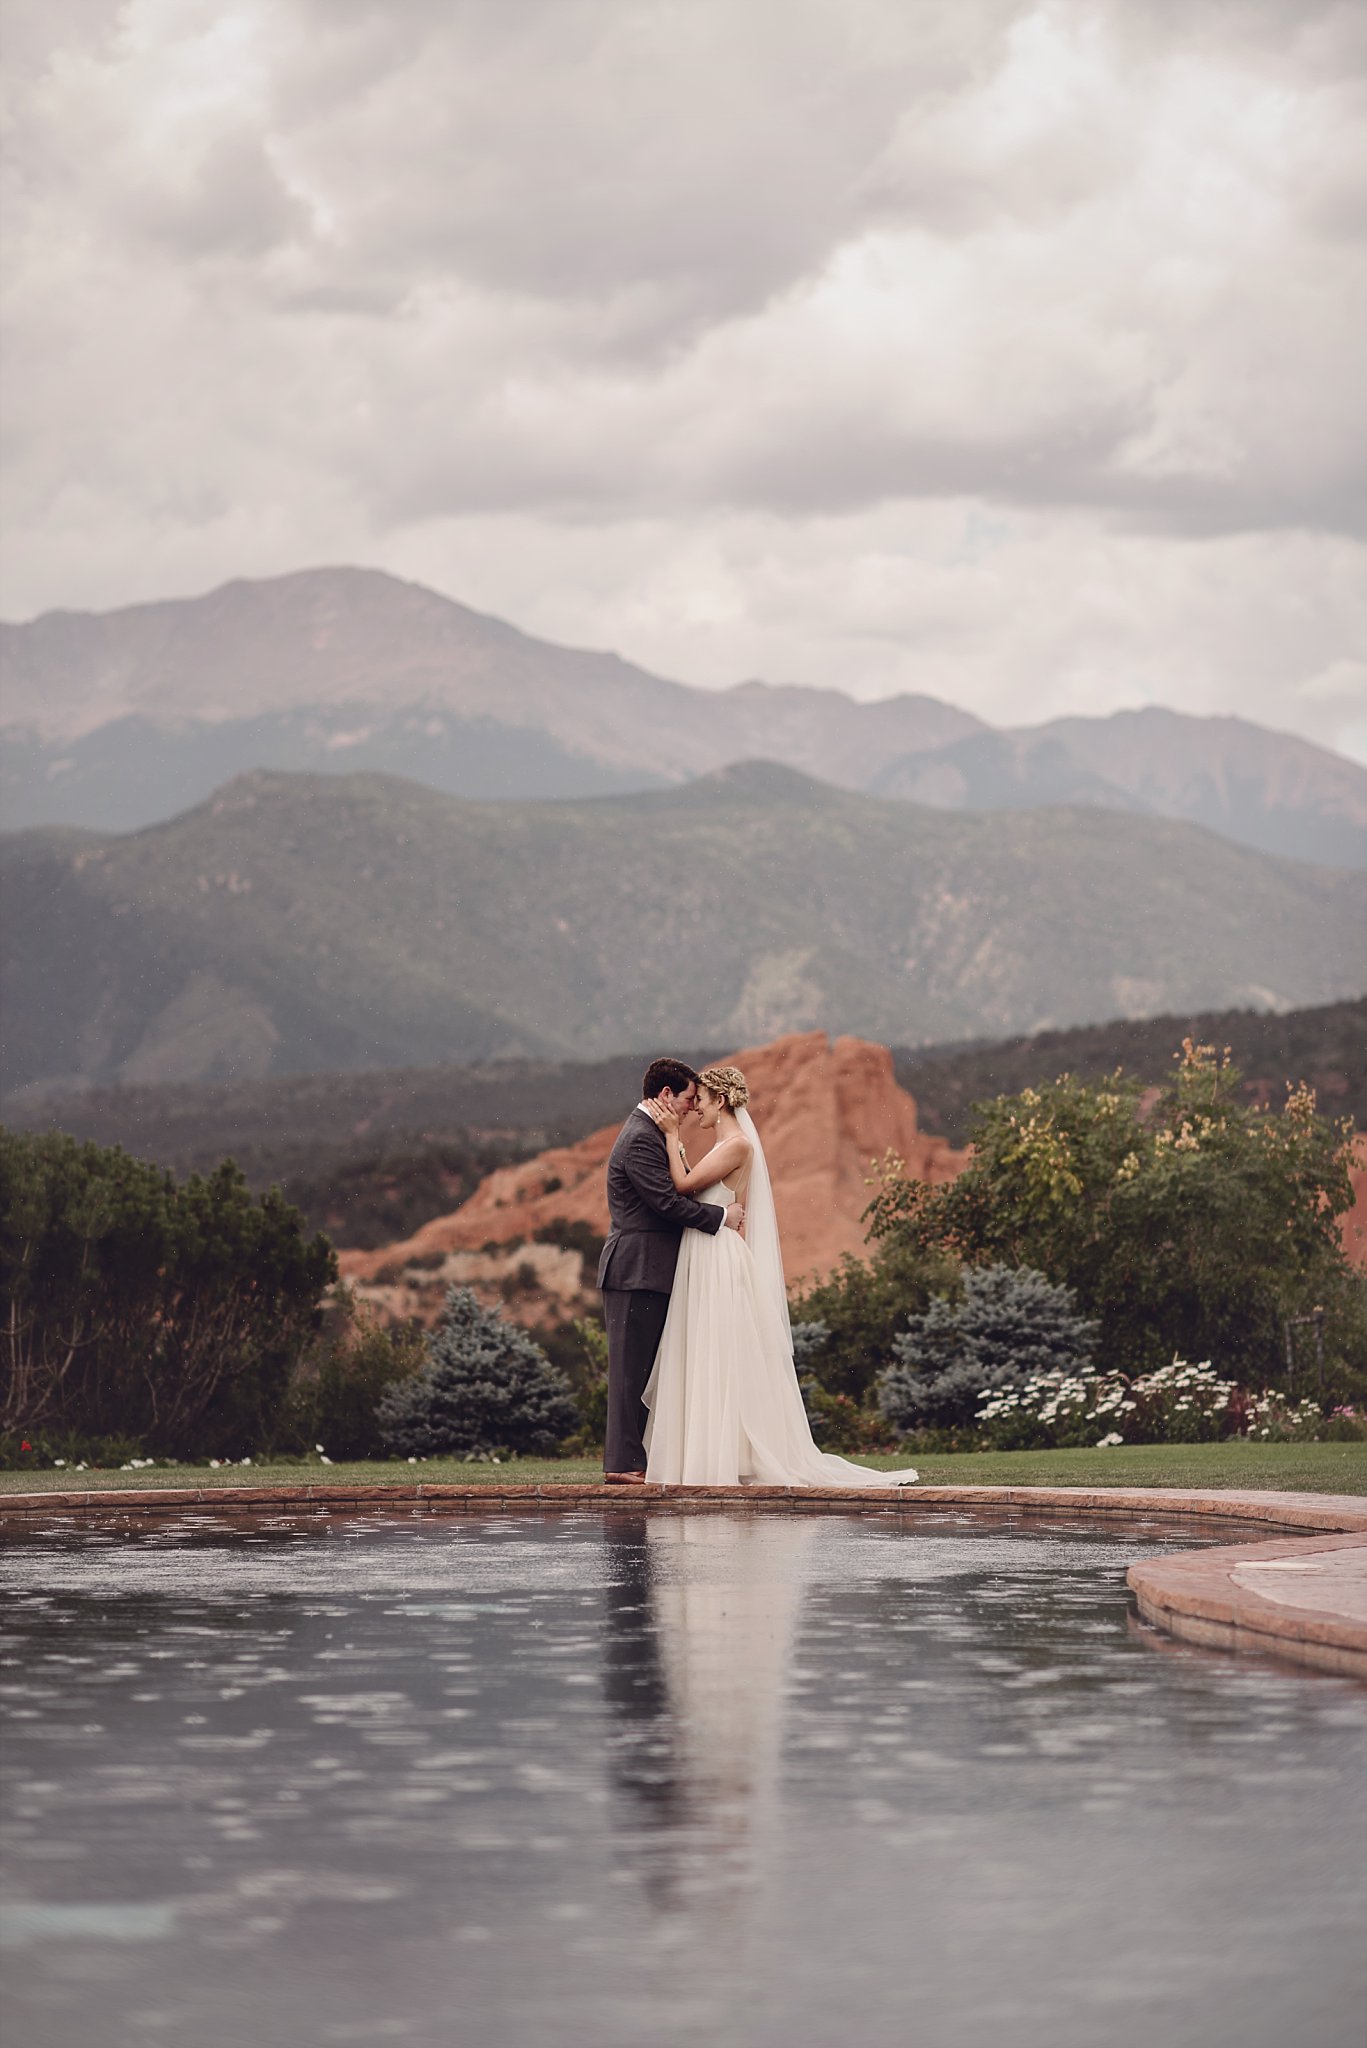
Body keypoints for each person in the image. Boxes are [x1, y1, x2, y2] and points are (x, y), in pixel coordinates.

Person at [641, 1064, 919, 1488]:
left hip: (716, 1257)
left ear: (720, 1100)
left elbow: (681, 1188)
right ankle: (713, 1452)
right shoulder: (724, 1145)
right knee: (708, 1350)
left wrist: (672, 1137)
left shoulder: (736, 1145)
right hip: (707, 1251)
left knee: (720, 1352)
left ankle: (722, 1457)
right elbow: (704, 1190)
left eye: (701, 1101)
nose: (695, 1108)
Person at [597, 1058, 745, 1483]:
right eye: (685, 1099)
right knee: (631, 1370)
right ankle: (623, 1465)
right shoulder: (641, 1139)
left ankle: (640, 1459)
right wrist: (721, 1217)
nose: (689, 1108)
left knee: (647, 1370)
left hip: (652, 1269)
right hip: (635, 1269)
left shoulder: (650, 1133)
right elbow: (665, 1203)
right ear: (665, 1095)